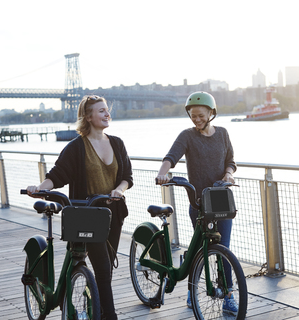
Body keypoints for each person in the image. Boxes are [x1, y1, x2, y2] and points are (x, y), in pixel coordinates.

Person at [26, 95, 133, 320]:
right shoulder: (76, 147)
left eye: (107, 110)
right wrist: (40, 187)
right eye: (101, 111)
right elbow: (58, 174)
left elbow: (126, 177)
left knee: (106, 271)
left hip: (114, 213)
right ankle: (109, 316)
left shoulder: (117, 143)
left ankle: (94, 307)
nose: (107, 114)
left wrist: (120, 190)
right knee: (103, 270)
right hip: (87, 214)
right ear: (88, 116)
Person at [155, 91, 238, 315]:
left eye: (201, 115)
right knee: (200, 250)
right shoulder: (187, 136)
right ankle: (194, 293)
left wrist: (229, 174)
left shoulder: (222, 133)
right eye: (193, 116)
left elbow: (230, 161)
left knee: (224, 250)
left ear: (211, 113)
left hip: (221, 201)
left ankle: (228, 296)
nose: (197, 119)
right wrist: (163, 174)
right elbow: (170, 157)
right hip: (199, 203)